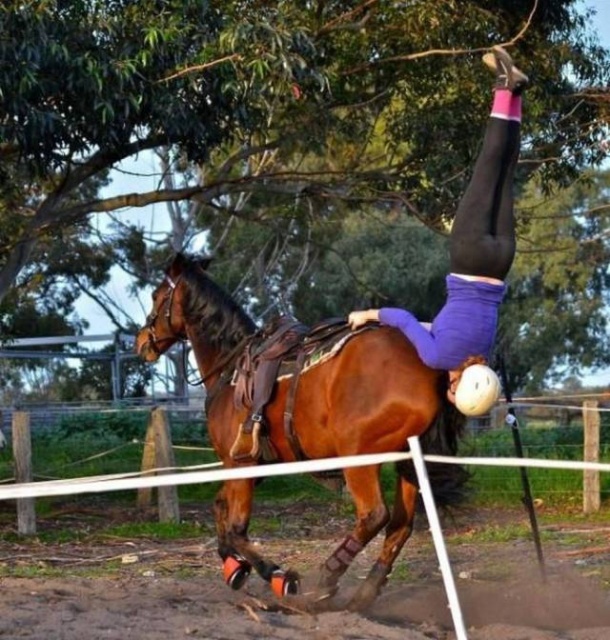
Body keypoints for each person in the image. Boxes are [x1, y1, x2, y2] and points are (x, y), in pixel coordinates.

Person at [348, 46, 528, 416]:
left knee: (506, 171)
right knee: (487, 166)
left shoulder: (482, 351)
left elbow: (442, 325)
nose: (447, 388)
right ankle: (504, 86)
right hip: (470, 256)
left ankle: (515, 93)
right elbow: (402, 319)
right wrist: (366, 316)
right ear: (459, 386)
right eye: (451, 392)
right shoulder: (436, 358)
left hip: (501, 261)